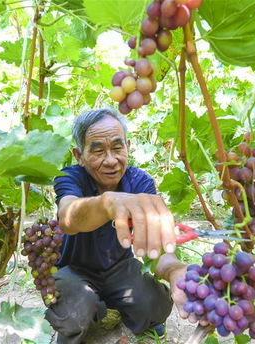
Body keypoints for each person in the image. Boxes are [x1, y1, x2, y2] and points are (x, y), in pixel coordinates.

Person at [44, 108, 182, 343]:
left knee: (155, 304)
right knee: (74, 313)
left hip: (120, 267)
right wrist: (108, 204)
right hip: (73, 269)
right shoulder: (69, 177)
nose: (110, 160)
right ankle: (78, 317)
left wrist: (174, 270)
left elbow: (156, 245)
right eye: (98, 151)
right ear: (79, 155)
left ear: (127, 146)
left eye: (117, 148)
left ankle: (118, 310)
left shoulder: (139, 182)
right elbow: (68, 217)